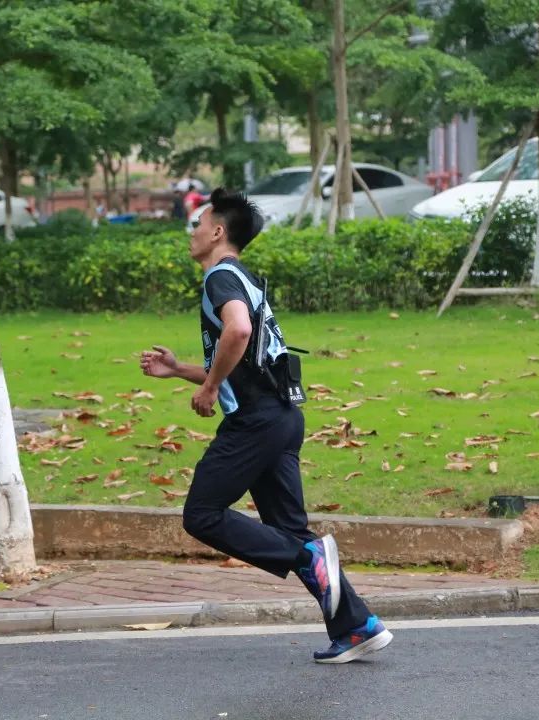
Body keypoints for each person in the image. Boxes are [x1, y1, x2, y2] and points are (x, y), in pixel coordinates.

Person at [139, 188, 393, 664]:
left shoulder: (220, 277)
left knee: (202, 514)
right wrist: (180, 371)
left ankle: (306, 558)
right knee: (291, 530)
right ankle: (356, 626)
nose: (192, 233)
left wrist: (209, 387)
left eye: (198, 224)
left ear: (218, 232)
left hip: (255, 422)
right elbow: (245, 359)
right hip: (281, 417)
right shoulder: (245, 278)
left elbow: (238, 331)